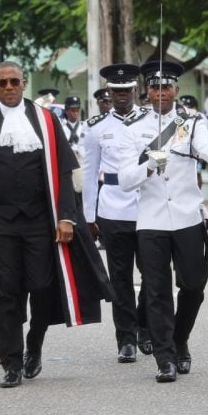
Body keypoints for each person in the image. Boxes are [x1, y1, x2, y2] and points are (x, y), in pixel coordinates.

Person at [0, 60, 109, 388]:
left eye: (14, 82)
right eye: (3, 83)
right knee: (7, 292)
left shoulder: (46, 120)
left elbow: (65, 171)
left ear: (23, 83)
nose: (8, 88)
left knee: (41, 287)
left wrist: (67, 216)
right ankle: (12, 362)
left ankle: (35, 345)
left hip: (42, 220)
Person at [119, 60, 208, 382]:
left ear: (177, 90)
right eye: (154, 87)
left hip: (187, 215)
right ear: (146, 91)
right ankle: (165, 357)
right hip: (151, 220)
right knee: (157, 290)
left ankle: (180, 339)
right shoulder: (133, 129)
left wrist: (201, 150)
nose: (160, 92)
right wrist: (148, 166)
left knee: (193, 285)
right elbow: (124, 180)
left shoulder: (192, 123)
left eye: (166, 87)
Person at [83, 63, 152, 364]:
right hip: (112, 206)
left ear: (136, 90)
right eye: (116, 91)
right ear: (108, 92)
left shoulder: (152, 122)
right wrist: (89, 216)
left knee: (153, 274)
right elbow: (88, 173)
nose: (122, 95)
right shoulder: (97, 127)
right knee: (120, 277)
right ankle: (126, 338)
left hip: (149, 206)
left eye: (127, 90)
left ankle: (147, 329)